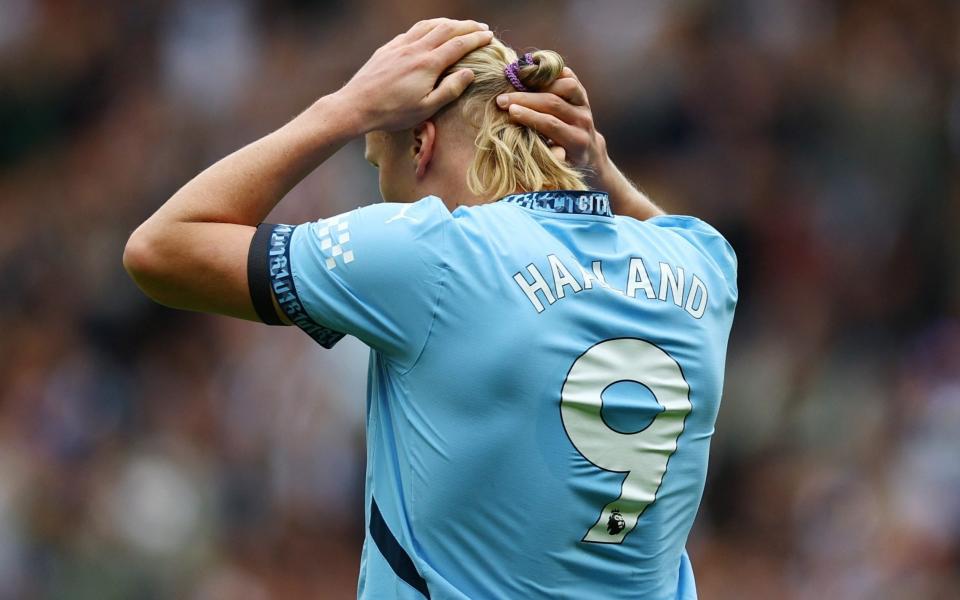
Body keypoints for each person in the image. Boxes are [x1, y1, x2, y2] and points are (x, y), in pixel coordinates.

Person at [123, 18, 737, 600]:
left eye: (378, 163)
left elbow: (160, 249)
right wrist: (601, 170)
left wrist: (345, 109)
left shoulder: (433, 255)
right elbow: (677, 233)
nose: (383, 187)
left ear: (421, 142)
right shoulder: (700, 270)